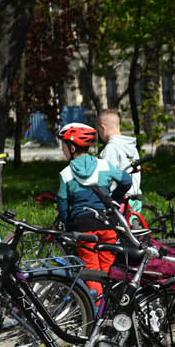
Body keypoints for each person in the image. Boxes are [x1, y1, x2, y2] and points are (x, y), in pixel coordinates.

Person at [54, 122, 131, 295]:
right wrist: (114, 198)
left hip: (82, 227)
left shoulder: (65, 174)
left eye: (63, 147)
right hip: (106, 222)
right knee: (109, 267)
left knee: (90, 268)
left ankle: (95, 309)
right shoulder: (104, 165)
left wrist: (68, 225)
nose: (62, 150)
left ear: (72, 147)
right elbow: (127, 180)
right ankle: (112, 303)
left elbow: (62, 204)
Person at [97, 109, 142, 213]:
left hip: (119, 200)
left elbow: (106, 176)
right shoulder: (131, 146)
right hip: (135, 197)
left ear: (103, 128)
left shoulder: (110, 149)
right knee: (132, 227)